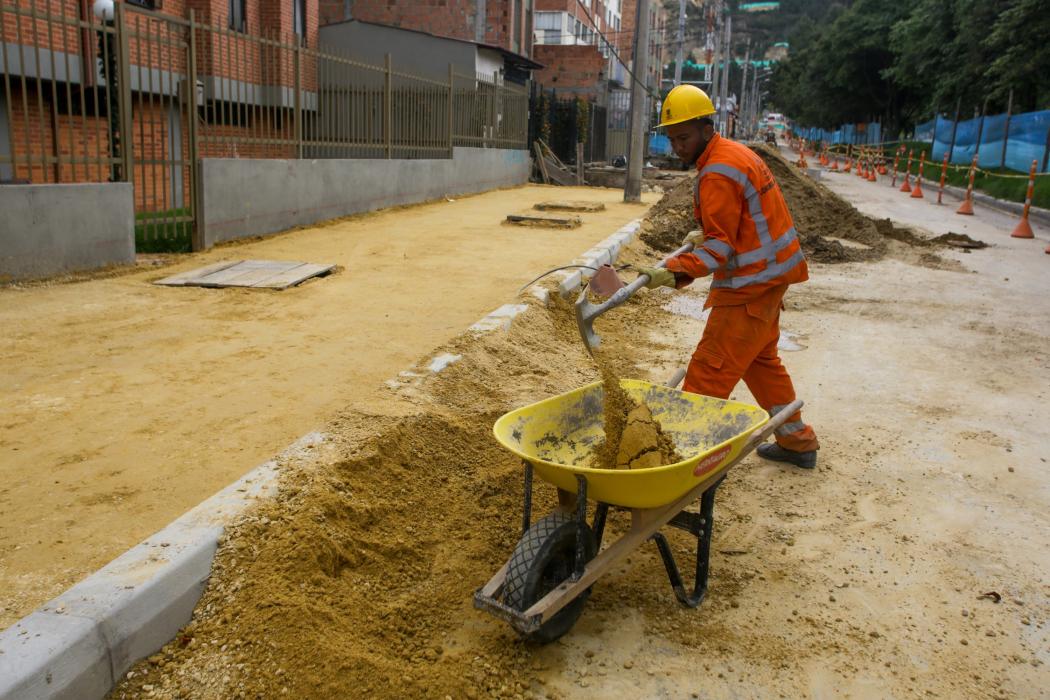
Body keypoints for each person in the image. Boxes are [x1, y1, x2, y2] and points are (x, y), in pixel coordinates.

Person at [636, 85, 819, 468]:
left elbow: (720, 250)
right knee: (761, 361)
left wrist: (670, 272)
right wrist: (705, 234)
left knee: (708, 373)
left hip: (750, 286)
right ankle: (796, 441)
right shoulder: (731, 155)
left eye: (684, 137)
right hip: (769, 279)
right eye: (672, 139)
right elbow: (737, 225)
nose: (677, 147)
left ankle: (684, 464)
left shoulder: (717, 172)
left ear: (706, 127)